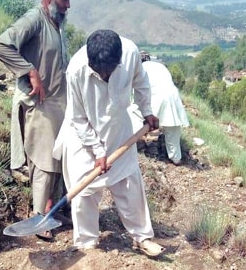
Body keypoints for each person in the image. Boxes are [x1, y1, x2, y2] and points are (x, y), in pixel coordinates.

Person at [54, 29, 165, 257]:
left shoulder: (131, 54)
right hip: (83, 135)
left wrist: (147, 112)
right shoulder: (76, 70)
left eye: (108, 71)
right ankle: (87, 243)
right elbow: (77, 117)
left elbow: (141, 83)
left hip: (119, 132)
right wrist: (96, 151)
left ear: (118, 60)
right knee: (84, 190)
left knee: (129, 185)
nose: (103, 75)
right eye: (98, 71)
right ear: (90, 60)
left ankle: (142, 237)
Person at [0, 0, 73, 238]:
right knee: (44, 161)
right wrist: (29, 71)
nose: (68, 5)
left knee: (58, 159)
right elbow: (1, 46)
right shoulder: (34, 20)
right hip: (39, 104)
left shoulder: (57, 23)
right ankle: (39, 219)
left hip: (58, 103)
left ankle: (52, 211)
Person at [139, 51, 189, 165]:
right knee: (172, 128)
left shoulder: (141, 68)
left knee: (135, 117)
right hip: (173, 96)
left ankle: (135, 145)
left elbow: (139, 90)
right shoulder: (160, 66)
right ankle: (176, 158)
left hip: (156, 96)